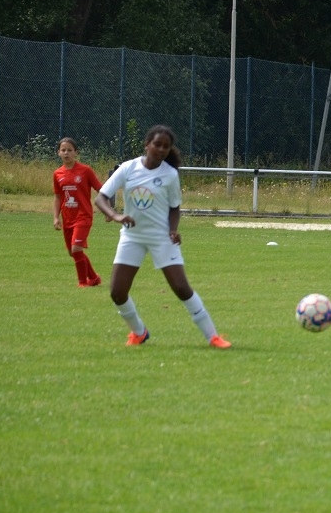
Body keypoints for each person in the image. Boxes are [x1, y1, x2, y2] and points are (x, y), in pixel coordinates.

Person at [93, 125, 231, 349]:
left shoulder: (170, 175)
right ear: (147, 144)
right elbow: (101, 198)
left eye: (166, 147)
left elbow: (174, 208)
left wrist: (173, 229)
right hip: (132, 237)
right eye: (157, 144)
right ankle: (139, 332)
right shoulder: (128, 168)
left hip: (161, 237)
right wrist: (115, 215)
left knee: (181, 288)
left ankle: (213, 337)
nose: (161, 149)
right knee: (117, 293)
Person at [52, 137, 104, 287]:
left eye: (69, 150)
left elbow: (101, 189)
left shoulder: (85, 170)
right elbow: (57, 197)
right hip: (67, 218)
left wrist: (107, 210)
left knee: (76, 249)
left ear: (76, 153)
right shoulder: (57, 174)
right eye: (63, 150)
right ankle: (93, 278)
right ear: (58, 153)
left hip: (83, 216)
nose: (66, 153)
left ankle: (82, 283)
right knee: (72, 252)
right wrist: (56, 217)